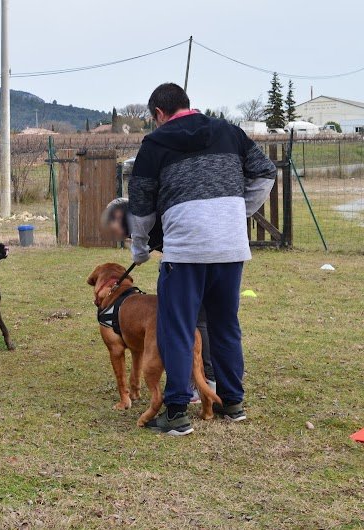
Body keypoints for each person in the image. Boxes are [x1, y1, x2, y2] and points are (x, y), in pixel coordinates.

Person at [128, 83, 276, 435]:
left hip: (185, 250)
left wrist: (140, 248)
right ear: (187, 104)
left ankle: (177, 411)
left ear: (159, 114)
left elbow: (141, 202)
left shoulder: (155, 143)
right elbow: (265, 172)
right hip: (229, 247)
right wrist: (237, 212)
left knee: (177, 327)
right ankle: (233, 402)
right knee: (225, 323)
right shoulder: (230, 132)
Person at [101, 198, 216, 402]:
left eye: (112, 224)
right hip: (210, 253)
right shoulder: (157, 217)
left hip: (193, 259)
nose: (115, 232)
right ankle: (211, 381)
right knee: (203, 319)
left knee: (196, 320)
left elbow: (143, 252)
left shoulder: (146, 219)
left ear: (121, 216)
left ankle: (205, 382)